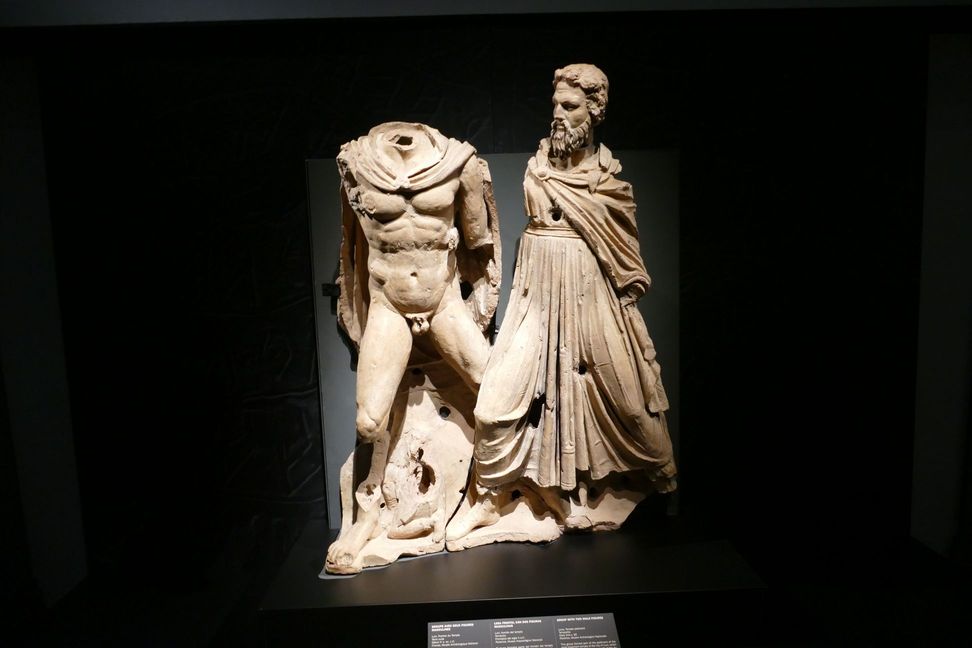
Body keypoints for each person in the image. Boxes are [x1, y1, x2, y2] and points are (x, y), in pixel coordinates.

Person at [448, 64, 676, 539]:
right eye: (555, 104)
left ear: (594, 113)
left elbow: (623, 250)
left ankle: (662, 482)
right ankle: (487, 498)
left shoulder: (608, 182)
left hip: (592, 297)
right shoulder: (537, 166)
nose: (558, 114)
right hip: (535, 296)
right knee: (494, 406)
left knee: (633, 406)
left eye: (569, 106)